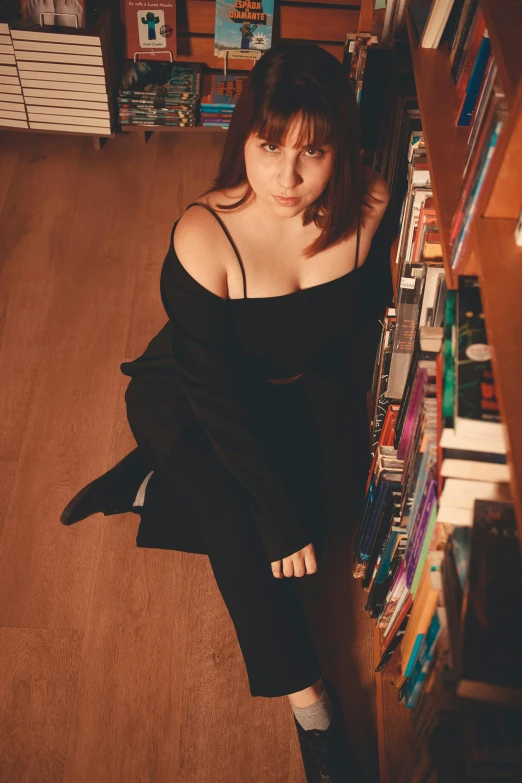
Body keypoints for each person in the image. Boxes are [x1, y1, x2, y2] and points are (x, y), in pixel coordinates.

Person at [60, 42, 391, 782]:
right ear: (244, 134)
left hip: (293, 393)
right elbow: (213, 391)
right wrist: (272, 509)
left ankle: (147, 487)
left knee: (322, 524)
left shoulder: (370, 207)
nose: (287, 176)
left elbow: (358, 330)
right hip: (193, 396)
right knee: (245, 524)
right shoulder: (204, 234)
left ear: (343, 147)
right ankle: (315, 708)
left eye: (314, 151)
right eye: (269, 145)